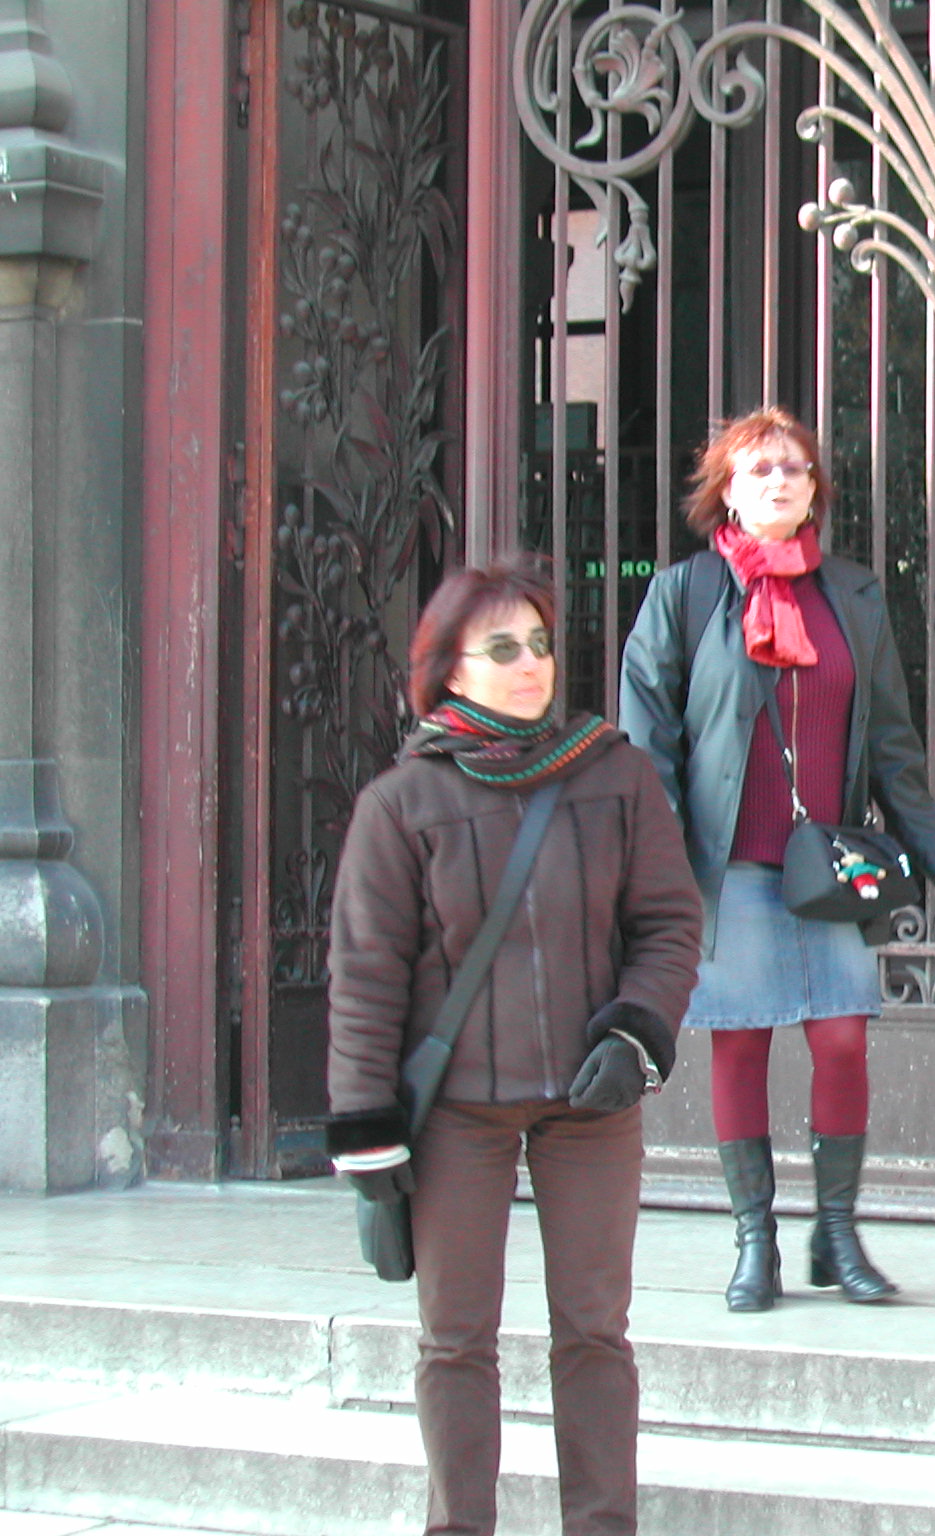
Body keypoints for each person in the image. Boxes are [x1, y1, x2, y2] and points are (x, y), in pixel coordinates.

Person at [324, 558, 702, 1536]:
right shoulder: (401, 804)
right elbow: (365, 975)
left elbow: (668, 923)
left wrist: (637, 1031)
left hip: (589, 1102)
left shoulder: (615, 774)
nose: (532, 663)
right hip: (458, 1112)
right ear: (449, 668)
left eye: (539, 643)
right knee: (455, 1341)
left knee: (594, 1333)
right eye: (503, 647)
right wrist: (367, 1130)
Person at [619, 406, 935, 1313]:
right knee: (740, 1043)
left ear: (815, 489)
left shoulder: (850, 594)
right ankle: (756, 1243)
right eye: (760, 468)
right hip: (728, 863)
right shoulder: (686, 594)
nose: (780, 480)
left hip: (826, 866)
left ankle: (837, 1234)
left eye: (796, 468)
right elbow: (648, 739)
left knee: (843, 1038)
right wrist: (662, 858)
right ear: (727, 492)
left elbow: (890, 739)